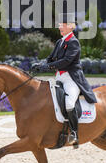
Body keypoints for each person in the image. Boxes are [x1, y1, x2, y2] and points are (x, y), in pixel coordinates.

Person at [32, 13, 97, 147]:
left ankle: (74, 133)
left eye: (63, 24)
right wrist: (40, 65)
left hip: (71, 79)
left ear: (71, 27)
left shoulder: (73, 42)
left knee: (69, 104)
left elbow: (66, 61)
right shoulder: (60, 42)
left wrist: (47, 66)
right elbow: (51, 58)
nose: (60, 26)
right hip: (59, 78)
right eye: (60, 24)